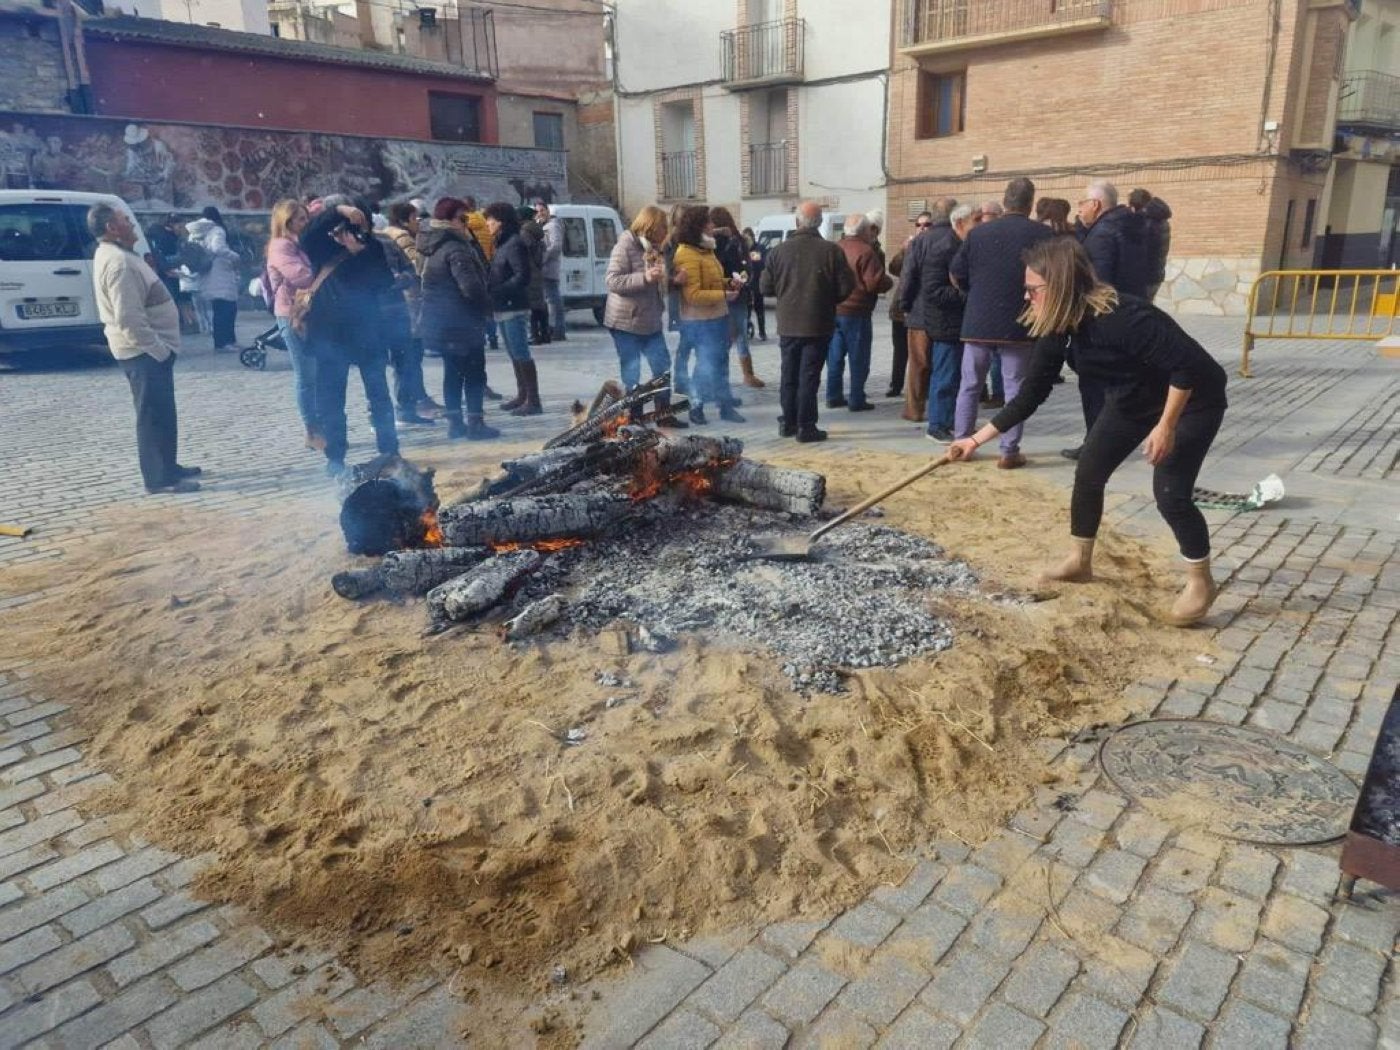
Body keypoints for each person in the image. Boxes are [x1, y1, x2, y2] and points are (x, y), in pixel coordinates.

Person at [947, 237, 1227, 626]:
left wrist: (1166, 426)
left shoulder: (1124, 317)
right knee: (1089, 473)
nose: (1027, 298)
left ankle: (1201, 582)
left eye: (1033, 290)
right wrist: (973, 441)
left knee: (1170, 493)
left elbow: (1187, 368)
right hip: (1133, 399)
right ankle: (1080, 561)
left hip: (1192, 398)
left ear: (1059, 285)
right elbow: (1031, 394)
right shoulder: (1058, 328)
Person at [88, 203, 200, 494]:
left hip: (151, 350)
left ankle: (168, 465)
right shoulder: (119, 263)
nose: (132, 224)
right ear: (112, 228)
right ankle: (158, 479)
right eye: (126, 220)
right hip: (143, 352)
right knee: (151, 414)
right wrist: (158, 349)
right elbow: (129, 318)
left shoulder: (122, 255)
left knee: (163, 411)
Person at [950, 177, 1054, 469]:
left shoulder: (979, 234)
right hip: (1020, 321)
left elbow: (957, 273)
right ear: (1030, 203)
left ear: (1005, 200)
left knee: (970, 384)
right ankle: (1008, 451)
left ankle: (961, 441)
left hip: (978, 321)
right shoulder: (1042, 234)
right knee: (1014, 390)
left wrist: (975, 293)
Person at [299, 196, 399, 477]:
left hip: (368, 332)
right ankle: (335, 456)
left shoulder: (372, 248)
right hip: (329, 336)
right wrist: (339, 210)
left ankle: (389, 450)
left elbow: (384, 282)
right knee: (331, 401)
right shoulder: (322, 246)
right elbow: (306, 236)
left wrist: (360, 252)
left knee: (378, 396)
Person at [1065, 179, 1155, 459]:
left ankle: (1096, 445)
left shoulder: (1103, 234)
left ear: (1095, 204)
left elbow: (1098, 283)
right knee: (1120, 382)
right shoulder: (1136, 227)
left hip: (1106, 321)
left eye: (1082, 202)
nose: (1079, 209)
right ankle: (1117, 438)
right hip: (1133, 311)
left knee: (1094, 384)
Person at [760, 201, 856, 443]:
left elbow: (764, 287)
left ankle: (789, 422)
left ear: (796, 222)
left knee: (789, 374)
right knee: (809, 376)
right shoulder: (831, 251)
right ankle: (806, 426)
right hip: (818, 323)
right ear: (820, 223)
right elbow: (846, 287)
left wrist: (786, 291)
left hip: (788, 325)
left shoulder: (778, 251)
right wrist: (826, 299)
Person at [418, 197, 500, 440]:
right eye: (462, 218)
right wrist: (486, 306)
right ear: (449, 220)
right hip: (461, 321)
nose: (466, 223)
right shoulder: (455, 248)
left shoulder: (431, 245)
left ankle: (455, 423)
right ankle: (475, 424)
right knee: (473, 374)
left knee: (452, 373)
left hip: (441, 321)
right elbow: (470, 287)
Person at [604, 205, 686, 429]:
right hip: (625, 322)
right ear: (650, 227)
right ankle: (634, 417)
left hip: (650, 321)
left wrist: (671, 279)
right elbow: (612, 281)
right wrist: (645, 278)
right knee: (632, 371)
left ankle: (663, 414)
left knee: (662, 367)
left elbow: (656, 281)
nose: (665, 233)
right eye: (662, 228)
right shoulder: (625, 245)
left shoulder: (656, 248)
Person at [903, 203, 972, 441]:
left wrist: (905, 304)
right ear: (959, 221)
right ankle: (938, 423)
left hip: (933, 316)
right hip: (942, 319)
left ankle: (936, 417)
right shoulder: (945, 247)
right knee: (943, 371)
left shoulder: (951, 244)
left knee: (934, 369)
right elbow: (929, 285)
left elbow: (909, 276)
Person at [672, 205, 743, 426]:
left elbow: (712, 281)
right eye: (709, 222)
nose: (713, 226)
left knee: (720, 364)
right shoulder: (686, 253)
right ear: (699, 227)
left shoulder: (707, 249)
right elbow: (692, 294)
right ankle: (696, 407)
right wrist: (723, 294)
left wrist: (729, 282)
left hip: (717, 316)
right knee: (704, 366)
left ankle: (726, 407)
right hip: (699, 321)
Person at [265, 199, 323, 450]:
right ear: (286, 222)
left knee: (318, 371)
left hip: (312, 312)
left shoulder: (301, 243)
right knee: (305, 374)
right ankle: (311, 429)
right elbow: (302, 277)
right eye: (300, 219)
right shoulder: (281, 247)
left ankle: (322, 422)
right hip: (292, 314)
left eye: (306, 217)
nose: (305, 223)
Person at [381, 201, 448, 417]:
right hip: (408, 303)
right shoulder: (402, 238)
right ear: (404, 220)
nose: (418, 222)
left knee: (409, 357)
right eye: (414, 218)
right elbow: (416, 266)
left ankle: (416, 399)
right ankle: (416, 400)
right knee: (410, 356)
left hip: (404, 304)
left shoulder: (390, 235)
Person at [827, 213, 892, 412]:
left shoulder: (833, 248)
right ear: (864, 230)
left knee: (835, 356)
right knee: (859, 358)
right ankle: (856, 398)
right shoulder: (866, 251)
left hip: (833, 309)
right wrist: (888, 282)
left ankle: (833, 395)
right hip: (857, 310)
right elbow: (874, 283)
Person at [485, 202, 542, 416]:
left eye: (490, 219)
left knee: (520, 352)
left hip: (513, 306)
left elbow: (522, 275)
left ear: (500, 221)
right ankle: (522, 395)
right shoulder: (502, 242)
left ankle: (533, 400)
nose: (487, 223)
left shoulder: (514, 243)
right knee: (513, 353)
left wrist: (499, 290)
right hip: (501, 305)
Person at [899, 201, 953, 422]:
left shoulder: (919, 242)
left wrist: (905, 303)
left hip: (920, 313)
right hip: (949, 311)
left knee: (918, 364)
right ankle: (945, 413)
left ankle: (914, 410)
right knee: (946, 364)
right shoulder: (958, 240)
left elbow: (908, 275)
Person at [712, 207, 765, 390]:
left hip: (731, 292)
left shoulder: (733, 241)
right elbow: (745, 266)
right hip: (725, 293)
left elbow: (746, 265)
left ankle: (743, 375)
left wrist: (742, 280)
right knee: (731, 337)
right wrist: (742, 280)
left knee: (735, 336)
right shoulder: (721, 241)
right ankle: (732, 378)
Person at [886, 210, 935, 398]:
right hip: (901, 308)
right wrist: (903, 251)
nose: (922, 228)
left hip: (922, 309)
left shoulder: (935, 245)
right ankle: (895, 384)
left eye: (927, 224)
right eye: (919, 225)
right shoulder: (911, 246)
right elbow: (894, 269)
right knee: (900, 351)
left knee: (923, 353)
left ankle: (923, 389)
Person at [185, 206, 241, 353]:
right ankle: (225, 342)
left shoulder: (194, 233)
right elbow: (218, 248)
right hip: (221, 273)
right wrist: (235, 256)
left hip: (206, 273)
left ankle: (222, 341)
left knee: (218, 309)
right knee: (227, 309)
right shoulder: (217, 230)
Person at [1129, 188, 1173, 302]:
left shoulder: (1145, 222)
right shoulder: (1161, 219)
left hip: (1144, 276)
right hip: (1156, 273)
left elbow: (1140, 250)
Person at [518, 206, 551, 346]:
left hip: (529, 270)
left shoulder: (524, 232)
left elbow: (524, 252)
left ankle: (534, 335)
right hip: (537, 269)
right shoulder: (536, 229)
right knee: (540, 304)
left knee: (531, 305)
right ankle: (544, 333)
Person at [537, 202, 566, 340]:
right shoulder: (543, 225)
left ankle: (557, 330)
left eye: (542, 210)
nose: (540, 213)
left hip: (549, 268)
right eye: (537, 211)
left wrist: (542, 258)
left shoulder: (553, 226)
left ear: (548, 211)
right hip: (546, 268)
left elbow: (556, 246)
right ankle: (555, 329)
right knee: (550, 300)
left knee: (553, 301)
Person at [742, 227, 768, 342]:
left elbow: (762, 262)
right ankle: (747, 329)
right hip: (745, 283)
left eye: (748, 238)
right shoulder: (742, 249)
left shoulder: (760, 248)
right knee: (746, 309)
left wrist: (750, 256)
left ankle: (762, 332)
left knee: (759, 308)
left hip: (757, 282)